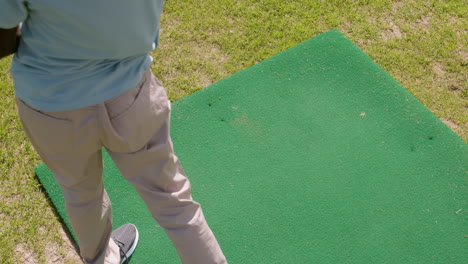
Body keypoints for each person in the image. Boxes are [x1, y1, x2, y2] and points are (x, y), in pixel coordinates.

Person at [0, 1, 227, 263]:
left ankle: (100, 259)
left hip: (52, 106)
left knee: (80, 192)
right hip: (131, 94)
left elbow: (4, 40)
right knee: (172, 198)